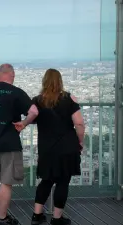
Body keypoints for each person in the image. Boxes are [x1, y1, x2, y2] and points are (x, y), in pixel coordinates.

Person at [14, 68, 85, 225]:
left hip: (47, 149)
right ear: (60, 81)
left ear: (44, 82)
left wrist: (23, 123)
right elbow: (79, 123)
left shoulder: (38, 101)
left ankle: (37, 215)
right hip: (67, 147)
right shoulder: (69, 99)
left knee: (46, 181)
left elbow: (29, 116)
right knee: (63, 182)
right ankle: (57, 217)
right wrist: (80, 141)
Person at [0, 63, 39, 225]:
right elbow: (34, 111)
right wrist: (24, 123)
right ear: (12, 75)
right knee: (6, 182)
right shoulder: (17, 92)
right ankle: (2, 217)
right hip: (9, 142)